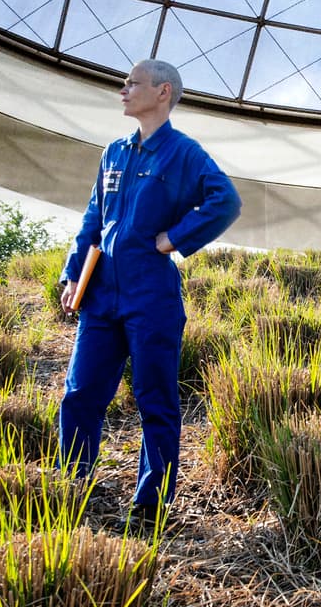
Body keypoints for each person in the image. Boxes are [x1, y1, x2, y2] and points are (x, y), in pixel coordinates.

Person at [58, 59, 241, 526]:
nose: (122, 90)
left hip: (151, 296)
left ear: (162, 92)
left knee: (155, 398)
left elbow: (226, 200)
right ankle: (71, 484)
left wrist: (173, 240)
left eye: (132, 83)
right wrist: (73, 274)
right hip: (101, 295)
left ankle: (150, 505)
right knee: (81, 393)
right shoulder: (114, 152)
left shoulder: (184, 153)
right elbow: (93, 216)